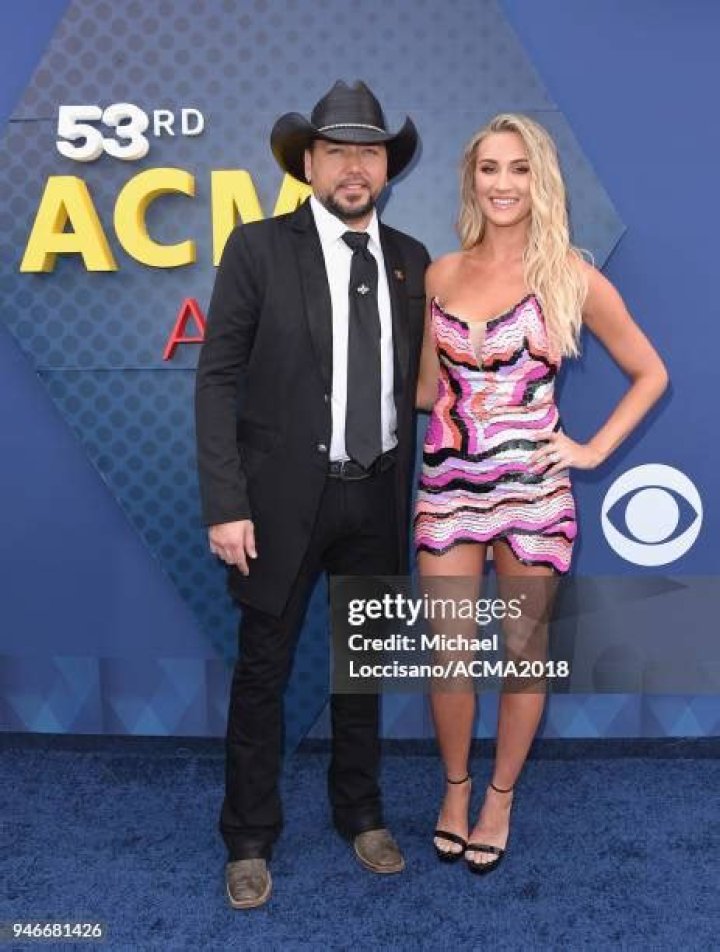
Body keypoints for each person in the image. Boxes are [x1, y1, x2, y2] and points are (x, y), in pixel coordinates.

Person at [194, 80, 430, 908]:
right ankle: (249, 836)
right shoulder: (257, 249)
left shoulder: (411, 258)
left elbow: (423, 382)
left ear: (387, 168)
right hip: (278, 506)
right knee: (263, 672)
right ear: (309, 163)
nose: (354, 166)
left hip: (376, 496)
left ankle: (360, 812)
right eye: (338, 150)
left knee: (361, 667)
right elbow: (216, 378)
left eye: (370, 151)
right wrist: (227, 502)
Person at [414, 113, 668, 874]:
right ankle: (455, 789)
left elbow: (651, 373)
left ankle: (500, 796)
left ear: (540, 180)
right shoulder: (440, 273)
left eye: (519, 169)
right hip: (450, 485)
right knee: (449, 656)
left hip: (534, 492)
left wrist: (588, 449)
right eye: (489, 168)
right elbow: (429, 389)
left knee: (523, 656)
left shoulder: (571, 276)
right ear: (472, 180)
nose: (502, 184)